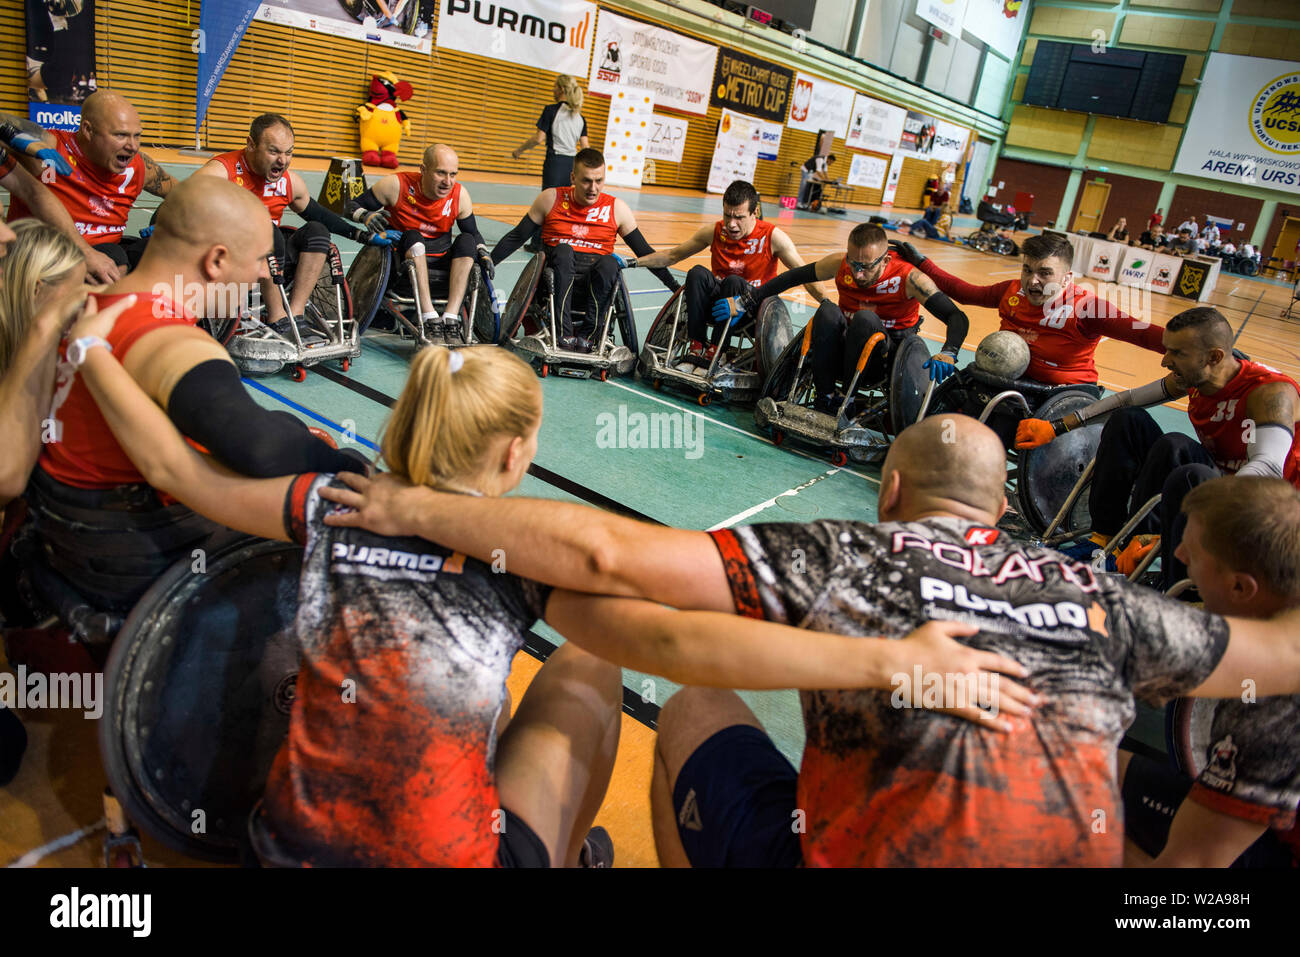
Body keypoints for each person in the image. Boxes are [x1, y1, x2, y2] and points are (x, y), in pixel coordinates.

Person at [71, 333, 1032, 866]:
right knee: (589, 668)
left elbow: (167, 463)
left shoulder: (329, 500)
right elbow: (689, 654)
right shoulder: (518, 563)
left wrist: (84, 337)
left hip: (281, 848)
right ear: (516, 455)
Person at [312, 414, 1300, 867]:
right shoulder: (1108, 599)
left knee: (695, 706)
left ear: (890, 494)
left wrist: (420, 509)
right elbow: (1286, 654)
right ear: (1003, 508)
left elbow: (606, 555)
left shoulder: (850, 556)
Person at [20, 177, 367, 624]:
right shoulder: (170, 339)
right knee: (333, 473)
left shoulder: (93, 303)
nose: (265, 272)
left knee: (291, 427)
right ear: (217, 259)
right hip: (141, 558)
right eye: (262, 257)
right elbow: (260, 448)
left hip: (71, 536)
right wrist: (355, 469)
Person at [1015, 307, 1299, 588]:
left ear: (1214, 357)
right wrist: (1058, 426)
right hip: (1220, 480)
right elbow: (1127, 400)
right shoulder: (1199, 376)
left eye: (1178, 353)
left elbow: (1268, 467)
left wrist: (1175, 535)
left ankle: (1174, 585)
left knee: (1183, 459)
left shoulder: (1271, 392)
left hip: (1269, 509)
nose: (1165, 361)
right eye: (1167, 350)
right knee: (1129, 422)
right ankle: (1107, 541)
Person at [1119, 477, 1300, 868]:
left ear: (1240, 586)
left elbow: (1192, 866)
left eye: (1194, 551)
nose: (1179, 553)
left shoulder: (1271, 713)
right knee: (1095, 769)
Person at [714, 223, 969, 409]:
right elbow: (793, 277)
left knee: (864, 319)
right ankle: (826, 396)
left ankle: (847, 398)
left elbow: (956, 316)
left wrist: (950, 350)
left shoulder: (910, 278)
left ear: (884, 260)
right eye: (854, 264)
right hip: (841, 351)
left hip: (884, 357)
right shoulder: (841, 264)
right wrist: (748, 300)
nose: (857, 274)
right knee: (827, 310)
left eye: (866, 267)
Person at [195, 113, 393, 338]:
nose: (283, 160)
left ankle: (295, 315)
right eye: (274, 151)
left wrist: (361, 235)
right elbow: (182, 205)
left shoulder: (289, 182)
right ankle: (277, 317)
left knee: (317, 231)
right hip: (230, 260)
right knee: (266, 229)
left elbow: (319, 214)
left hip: (272, 258)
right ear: (251, 144)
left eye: (288, 152)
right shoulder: (221, 172)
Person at [489, 148, 678, 353]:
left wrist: (675, 289)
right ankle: (564, 334)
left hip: (595, 284)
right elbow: (517, 237)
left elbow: (644, 252)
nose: (593, 188)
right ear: (573, 177)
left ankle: (589, 337)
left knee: (610, 263)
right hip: (553, 284)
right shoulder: (550, 199)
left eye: (599, 181)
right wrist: (487, 263)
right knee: (563, 251)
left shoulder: (617, 208)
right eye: (586, 180)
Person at [624, 179, 824, 358]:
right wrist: (632, 263)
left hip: (750, 311)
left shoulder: (773, 237)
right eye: (727, 215)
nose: (731, 224)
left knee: (733, 281)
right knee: (697, 273)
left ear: (755, 212)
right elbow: (671, 256)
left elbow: (804, 273)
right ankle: (697, 344)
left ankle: (716, 350)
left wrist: (826, 304)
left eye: (739, 217)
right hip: (716, 306)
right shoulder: (715, 231)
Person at [2, 91, 178, 276]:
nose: (132, 146)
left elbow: (187, 193)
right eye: (121, 135)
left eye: (137, 136)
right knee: (113, 262)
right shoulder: (49, 151)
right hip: (44, 259)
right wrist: (10, 134)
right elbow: (5, 123)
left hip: (108, 256)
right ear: (88, 130)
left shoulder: (139, 166)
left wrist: (169, 225)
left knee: (165, 250)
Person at [345, 143, 493, 333]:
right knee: (415, 237)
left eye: (453, 174)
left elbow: (472, 232)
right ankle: (428, 315)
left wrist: (483, 252)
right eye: (441, 173)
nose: (447, 182)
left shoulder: (460, 195)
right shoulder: (396, 185)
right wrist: (365, 215)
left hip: (442, 262)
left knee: (467, 241)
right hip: (403, 263)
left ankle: (451, 317)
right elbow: (351, 205)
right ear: (423, 169)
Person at [513, 75, 589, 191]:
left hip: (555, 163)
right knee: (564, 201)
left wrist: (519, 150)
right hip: (572, 166)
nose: (553, 90)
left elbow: (538, 139)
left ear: (561, 89)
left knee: (549, 200)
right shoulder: (580, 118)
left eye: (555, 87)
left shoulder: (551, 111)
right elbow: (585, 147)